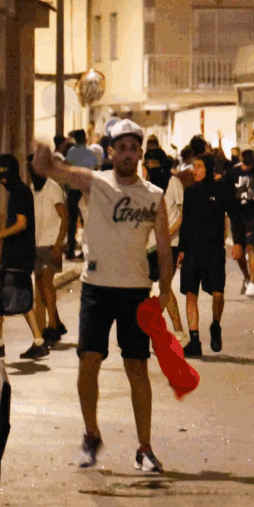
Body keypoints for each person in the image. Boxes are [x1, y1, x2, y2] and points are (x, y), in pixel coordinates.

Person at [32, 119, 176, 474]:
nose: (128, 154)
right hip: (96, 289)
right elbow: (45, 167)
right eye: (121, 148)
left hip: (136, 291)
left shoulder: (154, 196)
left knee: (137, 368)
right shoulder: (94, 183)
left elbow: (164, 247)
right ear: (111, 152)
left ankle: (144, 448)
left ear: (141, 152)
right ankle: (90, 435)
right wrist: (42, 147)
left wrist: (166, 290)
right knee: (89, 361)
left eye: (133, 148)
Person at [0, 153, 49, 360]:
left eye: (5, 172)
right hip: (17, 254)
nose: (2, 178)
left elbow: (21, 224)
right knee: (13, 294)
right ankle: (32, 341)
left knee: (0, 291)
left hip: (17, 255)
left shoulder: (19, 192)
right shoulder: (19, 191)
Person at [177, 154, 243, 357]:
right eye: (193, 167)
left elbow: (235, 215)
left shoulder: (222, 189)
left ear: (208, 168)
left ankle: (215, 325)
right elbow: (185, 222)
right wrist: (181, 250)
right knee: (190, 294)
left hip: (214, 251)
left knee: (218, 295)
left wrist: (239, 242)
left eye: (199, 167)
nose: (195, 170)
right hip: (192, 251)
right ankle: (194, 341)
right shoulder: (189, 192)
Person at [28, 154, 68, 346]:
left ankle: (52, 327)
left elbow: (64, 216)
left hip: (51, 243)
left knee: (46, 286)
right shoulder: (32, 189)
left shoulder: (52, 187)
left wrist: (59, 244)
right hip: (36, 244)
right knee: (40, 290)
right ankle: (47, 329)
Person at [147, 161, 186, 339]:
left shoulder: (173, 183)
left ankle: (172, 330)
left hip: (171, 243)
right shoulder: (146, 186)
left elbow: (182, 215)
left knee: (165, 287)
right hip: (150, 244)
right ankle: (176, 330)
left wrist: (166, 234)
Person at [230, 147, 254, 297]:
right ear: (241, 157)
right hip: (237, 216)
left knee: (251, 246)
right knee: (238, 252)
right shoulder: (233, 173)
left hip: (253, 215)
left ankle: (252, 282)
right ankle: (246, 277)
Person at [63, 130, 97, 258]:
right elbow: (94, 170)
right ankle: (86, 251)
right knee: (87, 220)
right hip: (86, 189)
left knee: (71, 221)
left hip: (73, 188)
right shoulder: (89, 153)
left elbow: (66, 169)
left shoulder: (72, 152)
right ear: (85, 139)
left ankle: (70, 250)